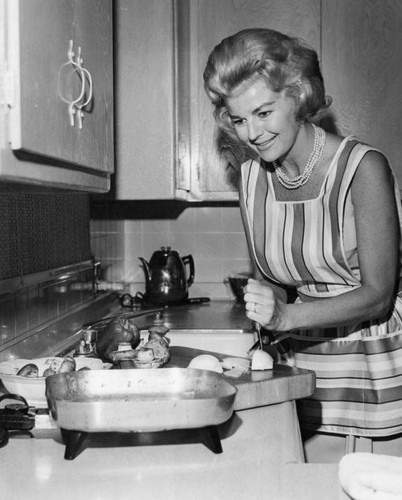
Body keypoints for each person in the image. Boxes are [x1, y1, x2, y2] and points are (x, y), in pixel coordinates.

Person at [203, 28, 402, 460]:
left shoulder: (363, 168)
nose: (252, 133)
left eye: (263, 112)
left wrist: (285, 314)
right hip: (302, 376)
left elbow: (378, 296)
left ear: (298, 94)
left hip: (376, 379)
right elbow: (271, 279)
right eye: (239, 119)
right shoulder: (252, 179)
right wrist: (265, 299)